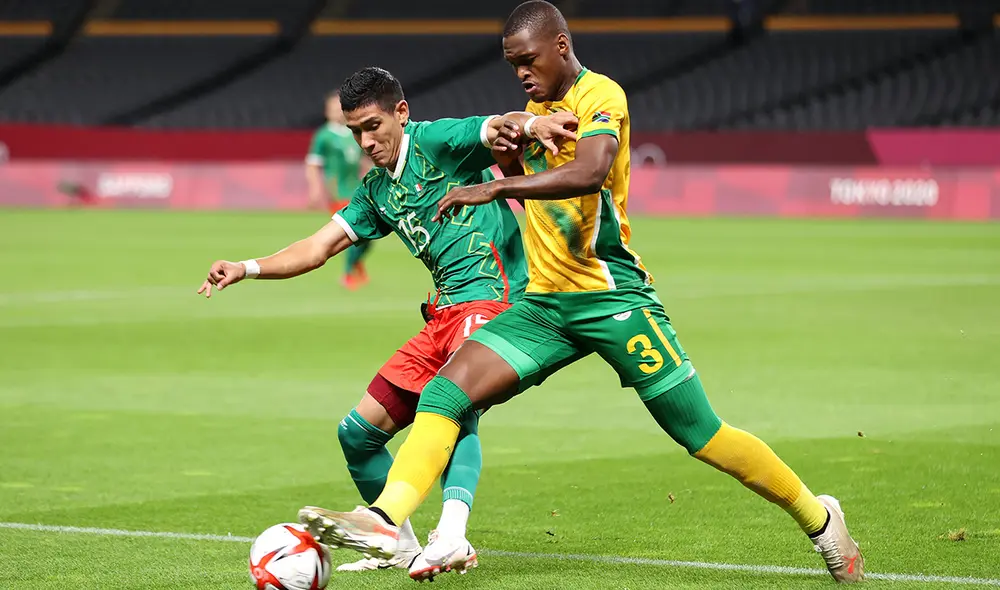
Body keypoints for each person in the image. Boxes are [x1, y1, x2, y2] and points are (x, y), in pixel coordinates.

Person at [297, 2, 865, 584]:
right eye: (512, 63)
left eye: (528, 59)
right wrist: (510, 155)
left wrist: (498, 188)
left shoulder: (602, 97)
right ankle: (385, 518)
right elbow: (508, 145)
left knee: (704, 436)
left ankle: (821, 519)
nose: (520, 72)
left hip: (612, 299)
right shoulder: (536, 112)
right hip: (544, 307)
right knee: (446, 393)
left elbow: (591, 171)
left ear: (561, 47)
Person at [197, 66, 576, 580]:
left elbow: (495, 127)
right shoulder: (377, 190)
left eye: (373, 125)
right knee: (356, 435)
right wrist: (247, 267)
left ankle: (452, 536)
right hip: (442, 311)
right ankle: (397, 547)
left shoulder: (436, 142)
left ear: (401, 112)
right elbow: (318, 247)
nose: (365, 140)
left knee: (453, 402)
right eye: (355, 131)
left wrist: (532, 128)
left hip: (495, 298)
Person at [306, 91, 373, 290]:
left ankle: (355, 266)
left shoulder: (355, 131)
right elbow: (312, 164)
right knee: (356, 233)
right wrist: (315, 190)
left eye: (340, 108)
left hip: (358, 190)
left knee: (367, 235)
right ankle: (348, 273)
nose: (337, 111)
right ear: (327, 112)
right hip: (338, 192)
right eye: (333, 108)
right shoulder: (324, 135)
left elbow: (365, 160)